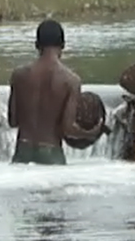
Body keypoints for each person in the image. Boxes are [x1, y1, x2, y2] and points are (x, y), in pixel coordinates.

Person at [8, 19, 81, 165]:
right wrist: (90, 133)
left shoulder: (19, 75)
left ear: (36, 45)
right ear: (63, 45)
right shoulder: (71, 81)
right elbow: (68, 128)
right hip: (51, 154)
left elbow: (13, 121)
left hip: (22, 152)